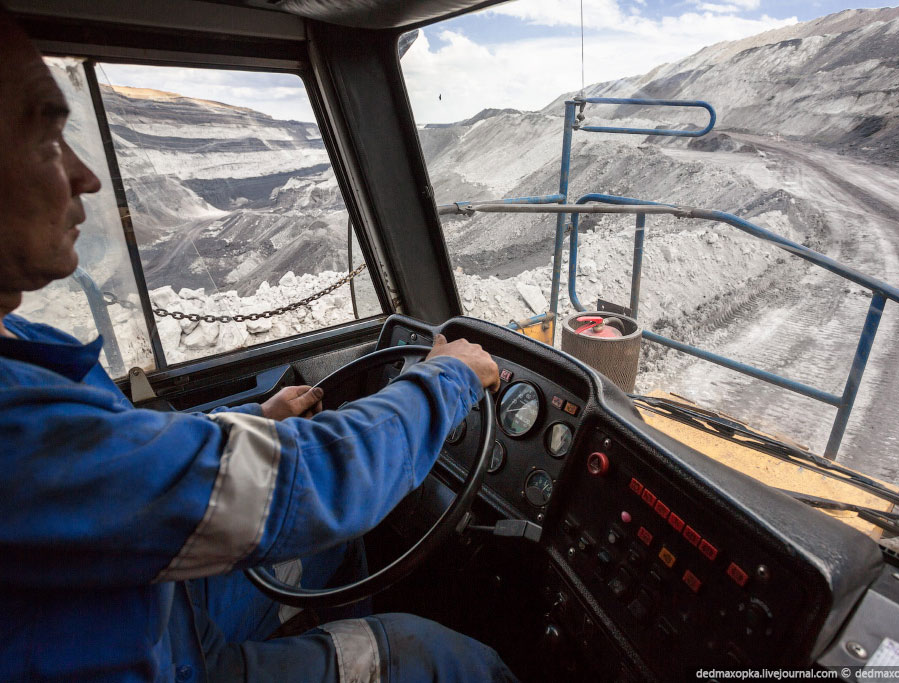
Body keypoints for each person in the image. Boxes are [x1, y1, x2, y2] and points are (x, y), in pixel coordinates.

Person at [0, 8, 519, 682]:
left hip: (143, 598)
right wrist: (447, 377)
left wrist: (249, 422)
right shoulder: (13, 426)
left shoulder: (24, 343)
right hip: (158, 662)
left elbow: (109, 451)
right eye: (46, 142)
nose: (85, 176)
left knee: (332, 542)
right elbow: (316, 482)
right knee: (449, 659)